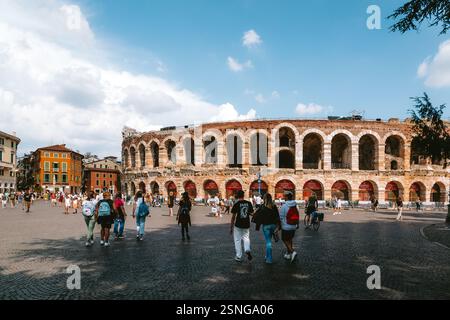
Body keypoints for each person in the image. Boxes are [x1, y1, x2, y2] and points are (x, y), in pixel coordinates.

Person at [254, 193, 281, 264]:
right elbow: (277, 216)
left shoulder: (262, 207)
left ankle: (269, 259)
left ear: (264, 199)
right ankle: (267, 255)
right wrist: (278, 226)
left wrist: (257, 226)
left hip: (266, 226)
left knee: (268, 242)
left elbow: (257, 216)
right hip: (273, 225)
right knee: (269, 242)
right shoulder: (274, 206)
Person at [230, 190, 254, 262]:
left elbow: (233, 216)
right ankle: (247, 249)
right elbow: (252, 213)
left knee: (237, 240)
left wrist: (231, 227)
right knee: (246, 238)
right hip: (246, 224)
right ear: (243, 196)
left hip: (238, 224)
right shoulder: (248, 203)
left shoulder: (236, 204)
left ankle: (238, 256)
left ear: (237, 196)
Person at [279, 191, 299, 262]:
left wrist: (279, 227)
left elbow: (280, 217)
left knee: (284, 239)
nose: (284, 197)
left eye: (284, 196)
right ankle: (288, 254)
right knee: (290, 239)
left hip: (286, 226)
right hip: (293, 226)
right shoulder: (295, 205)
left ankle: (292, 251)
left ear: (287, 197)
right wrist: (298, 224)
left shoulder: (284, 206)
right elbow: (297, 215)